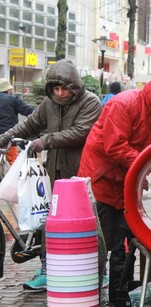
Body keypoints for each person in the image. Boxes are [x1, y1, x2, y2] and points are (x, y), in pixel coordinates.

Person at [77, 71, 151, 303]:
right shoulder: (124, 103)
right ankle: (88, 296)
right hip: (102, 179)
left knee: (126, 243)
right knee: (98, 244)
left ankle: (121, 297)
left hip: (129, 183)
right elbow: (114, 147)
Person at [0, 59, 102, 291]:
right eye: (55, 89)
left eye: (64, 88)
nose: (59, 93)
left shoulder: (90, 102)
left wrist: (45, 141)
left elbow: (80, 132)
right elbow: (29, 125)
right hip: (53, 172)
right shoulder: (50, 104)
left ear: (74, 86)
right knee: (50, 220)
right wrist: (3, 138)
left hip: (81, 172)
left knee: (84, 223)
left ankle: (93, 269)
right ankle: (50, 268)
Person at [0, 78, 35, 164]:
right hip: (9, 138)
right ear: (8, 89)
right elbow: (29, 111)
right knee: (13, 165)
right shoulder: (13, 99)